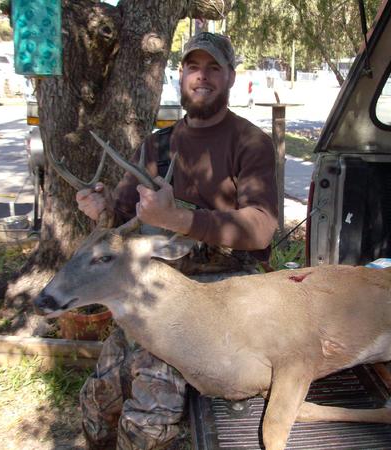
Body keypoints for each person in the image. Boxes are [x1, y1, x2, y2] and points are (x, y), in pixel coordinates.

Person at [76, 32, 278, 449]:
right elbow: (122, 213)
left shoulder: (250, 142)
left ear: (231, 78)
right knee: (98, 400)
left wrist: (178, 219)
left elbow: (260, 227)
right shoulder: (157, 145)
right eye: (192, 67)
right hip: (159, 289)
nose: (201, 77)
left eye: (213, 68)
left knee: (148, 421)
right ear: (181, 74)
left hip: (222, 297)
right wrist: (100, 209)